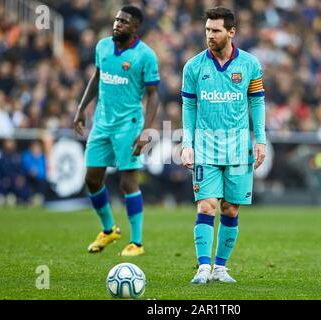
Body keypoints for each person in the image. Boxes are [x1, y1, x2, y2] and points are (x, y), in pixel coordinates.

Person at [181, 6, 266, 284]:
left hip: (240, 149)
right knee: (206, 206)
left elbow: (257, 101)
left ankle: (220, 267)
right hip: (205, 147)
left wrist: (261, 140)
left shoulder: (250, 64)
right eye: (207, 29)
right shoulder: (193, 66)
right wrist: (187, 142)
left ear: (231, 32)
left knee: (231, 208)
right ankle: (203, 267)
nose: (209, 35)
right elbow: (189, 105)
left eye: (215, 30)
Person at [73, 6, 160, 257]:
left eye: (124, 21)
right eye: (116, 19)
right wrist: (81, 108)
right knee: (91, 178)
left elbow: (154, 96)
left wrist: (146, 130)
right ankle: (108, 229)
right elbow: (97, 78)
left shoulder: (145, 56)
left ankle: (137, 242)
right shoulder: (102, 47)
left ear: (135, 27)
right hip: (102, 122)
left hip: (129, 124)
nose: (117, 24)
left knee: (127, 181)